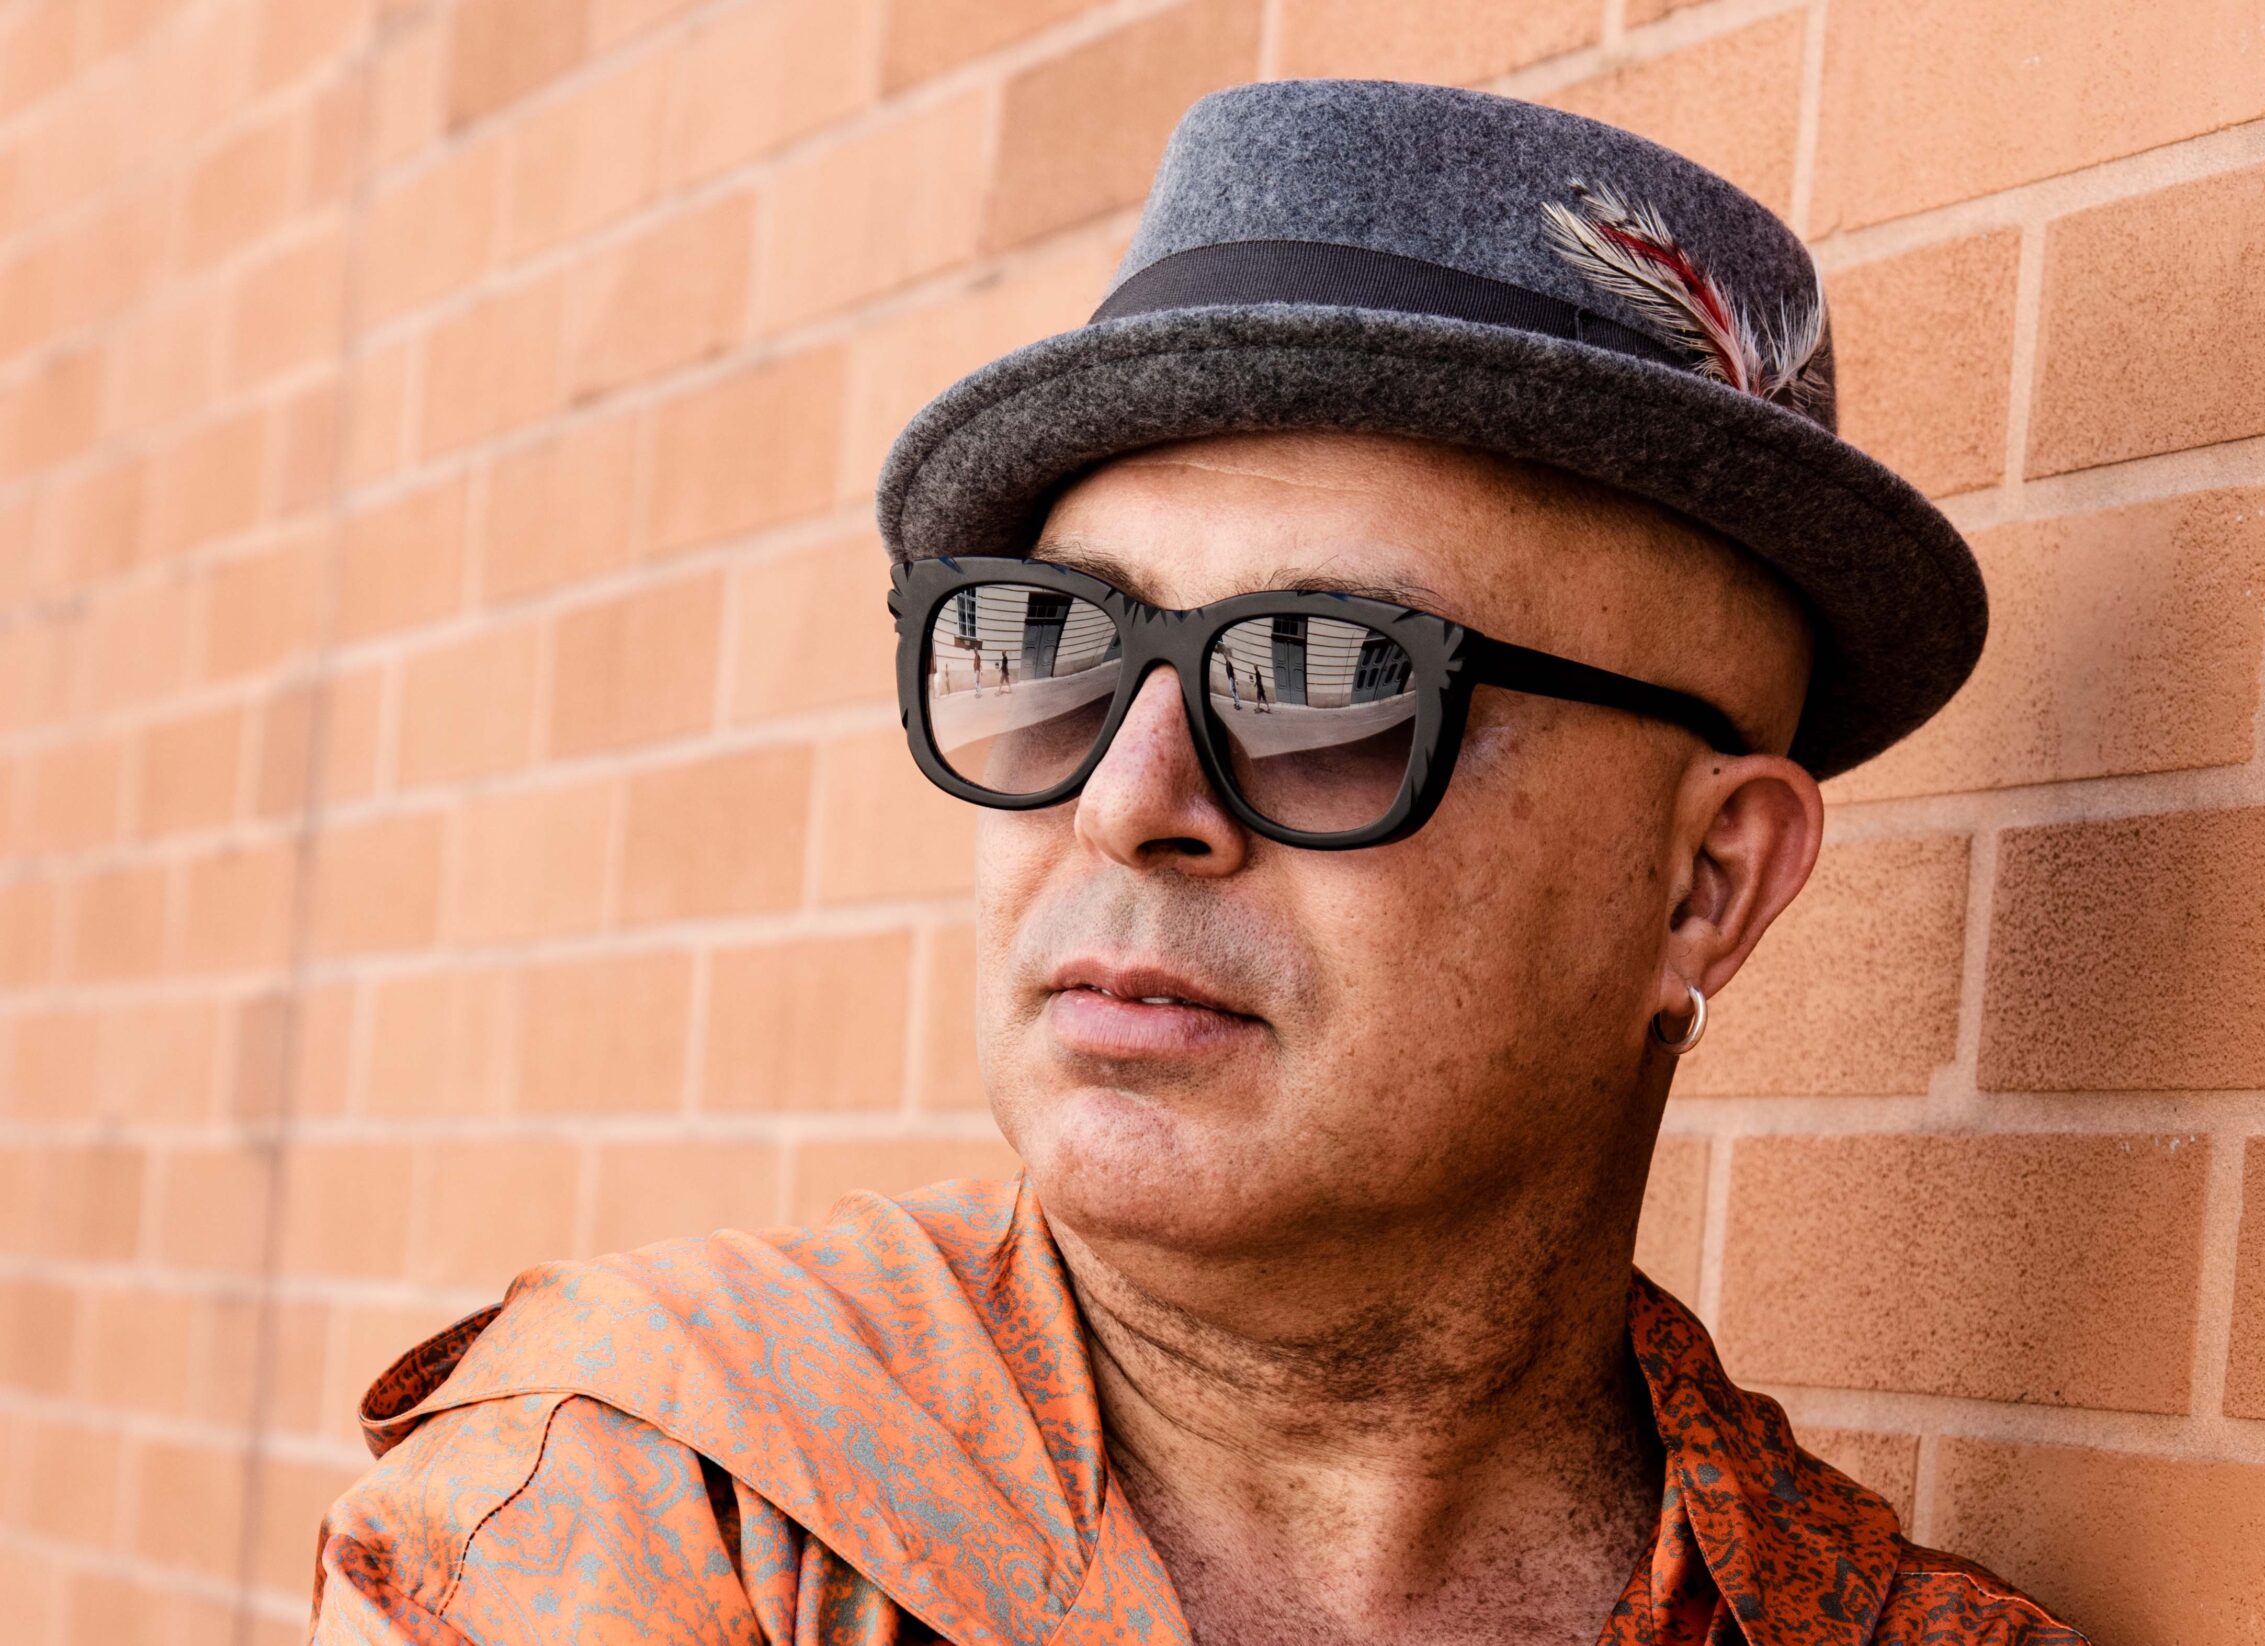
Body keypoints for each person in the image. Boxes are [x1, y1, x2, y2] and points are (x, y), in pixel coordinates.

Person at [310, 81, 2081, 1646]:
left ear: (1705, 883)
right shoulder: (655, 1500)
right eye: (1051, 647)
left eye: (1323, 678)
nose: (1128, 797)